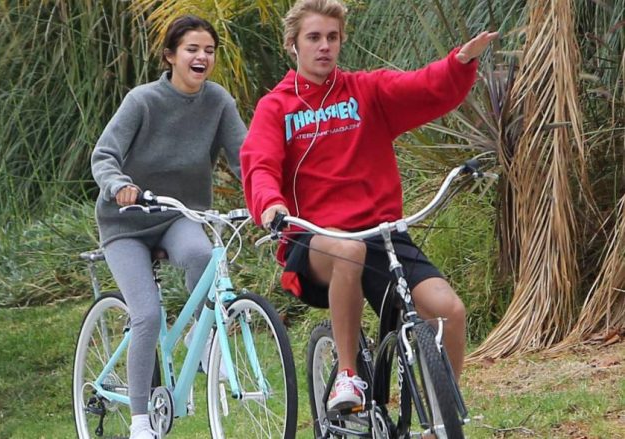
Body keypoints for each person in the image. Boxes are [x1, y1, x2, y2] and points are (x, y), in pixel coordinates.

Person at [240, 0, 498, 412]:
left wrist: (459, 62)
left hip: (382, 235)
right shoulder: (277, 107)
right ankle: (348, 375)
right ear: (293, 45)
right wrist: (270, 206)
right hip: (316, 240)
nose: (324, 46)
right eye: (314, 38)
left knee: (449, 310)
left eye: (332, 37)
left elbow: (423, 87)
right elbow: (260, 165)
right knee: (348, 249)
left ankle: (439, 420)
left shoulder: (367, 91)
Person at [91, 15, 246, 439]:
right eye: (192, 49)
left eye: (209, 51)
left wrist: (267, 197)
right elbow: (104, 155)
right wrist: (119, 185)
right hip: (125, 223)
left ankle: (199, 334)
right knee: (146, 313)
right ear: (170, 56)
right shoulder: (142, 101)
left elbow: (245, 159)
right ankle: (141, 420)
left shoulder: (218, 103)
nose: (202, 57)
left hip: (179, 215)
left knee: (201, 256)